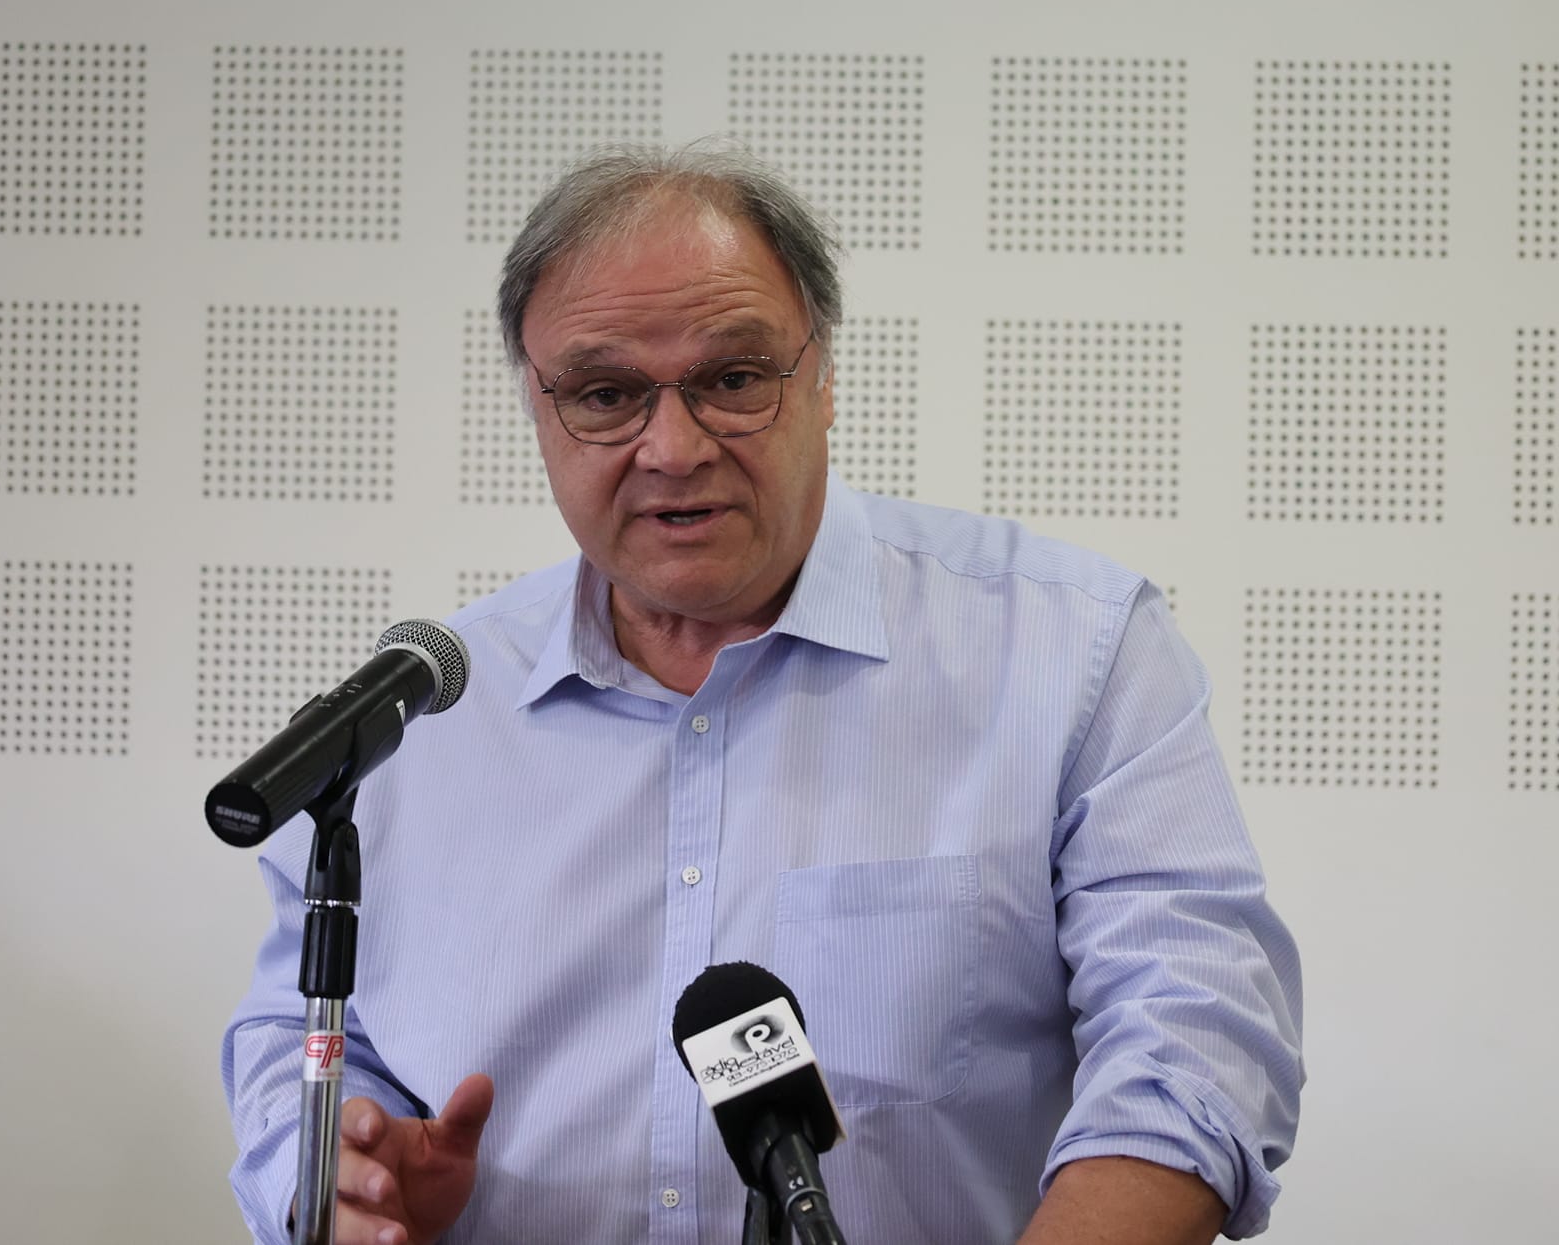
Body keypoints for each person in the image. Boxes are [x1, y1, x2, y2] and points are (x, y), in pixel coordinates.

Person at [222, 144, 1303, 1245]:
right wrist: (345, 1176)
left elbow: (1196, 1042)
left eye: (733, 379)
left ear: (821, 377)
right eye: (605, 395)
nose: (672, 448)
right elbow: (296, 1038)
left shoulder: (1069, 651)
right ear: (539, 411)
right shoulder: (421, 716)